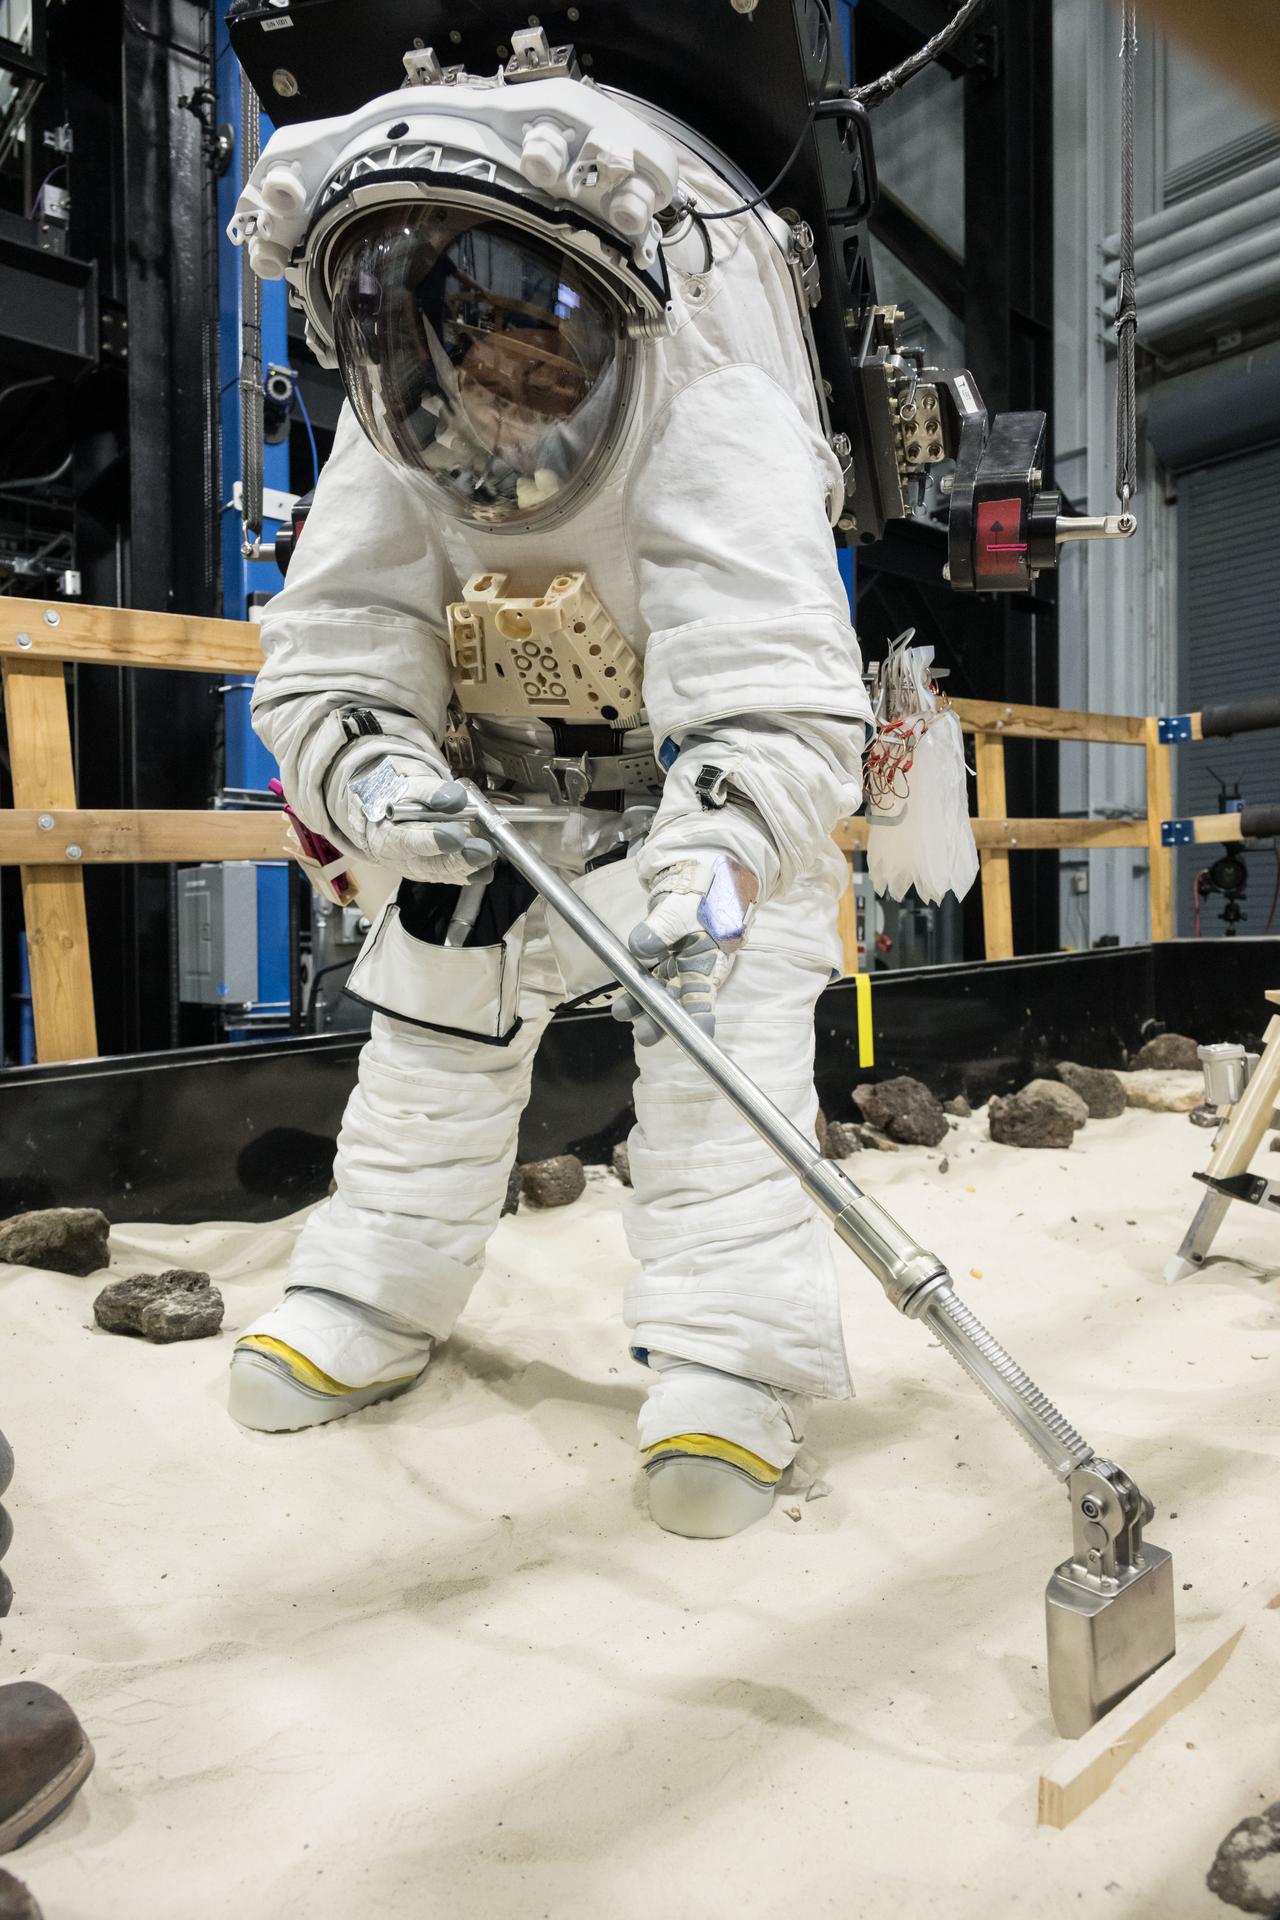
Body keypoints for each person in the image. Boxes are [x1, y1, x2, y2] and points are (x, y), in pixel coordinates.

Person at [227, 52, 874, 1536]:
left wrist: (721, 850)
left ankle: (728, 1368)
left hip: (696, 806)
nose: (505, 395)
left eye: (542, 355)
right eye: (476, 354)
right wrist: (375, 773)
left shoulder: (709, 413)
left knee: (721, 1056)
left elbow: (776, 688)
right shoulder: (403, 438)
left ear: (610, 314)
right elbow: (335, 645)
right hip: (486, 801)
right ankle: (374, 1289)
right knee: (432, 1034)